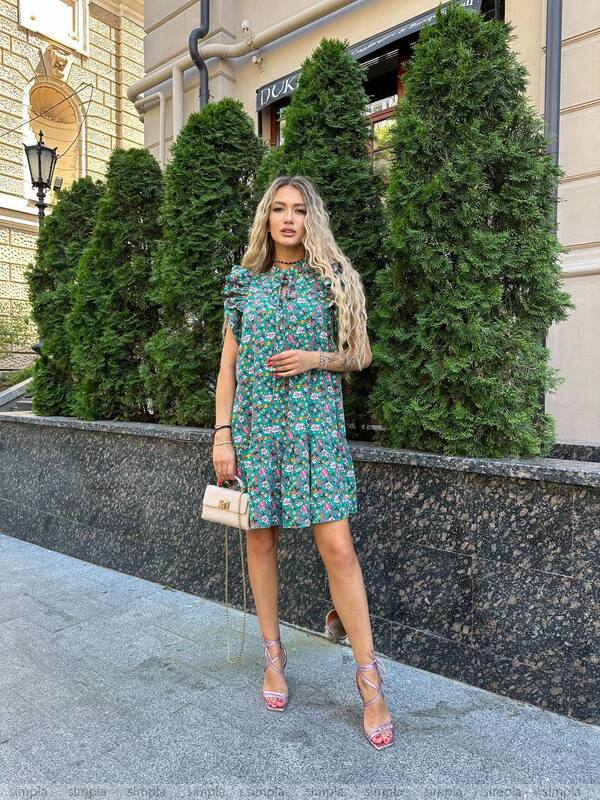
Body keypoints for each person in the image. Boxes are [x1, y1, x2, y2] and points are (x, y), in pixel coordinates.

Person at [213, 175, 394, 751]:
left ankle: (369, 678)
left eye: (298, 210)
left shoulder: (333, 278)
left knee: (337, 546)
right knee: (260, 539)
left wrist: (314, 358)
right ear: (266, 219)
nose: (288, 219)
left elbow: (360, 353)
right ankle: (273, 656)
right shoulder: (243, 284)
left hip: (315, 431)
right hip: (255, 432)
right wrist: (222, 437)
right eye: (278, 210)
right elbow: (228, 368)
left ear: (310, 218)